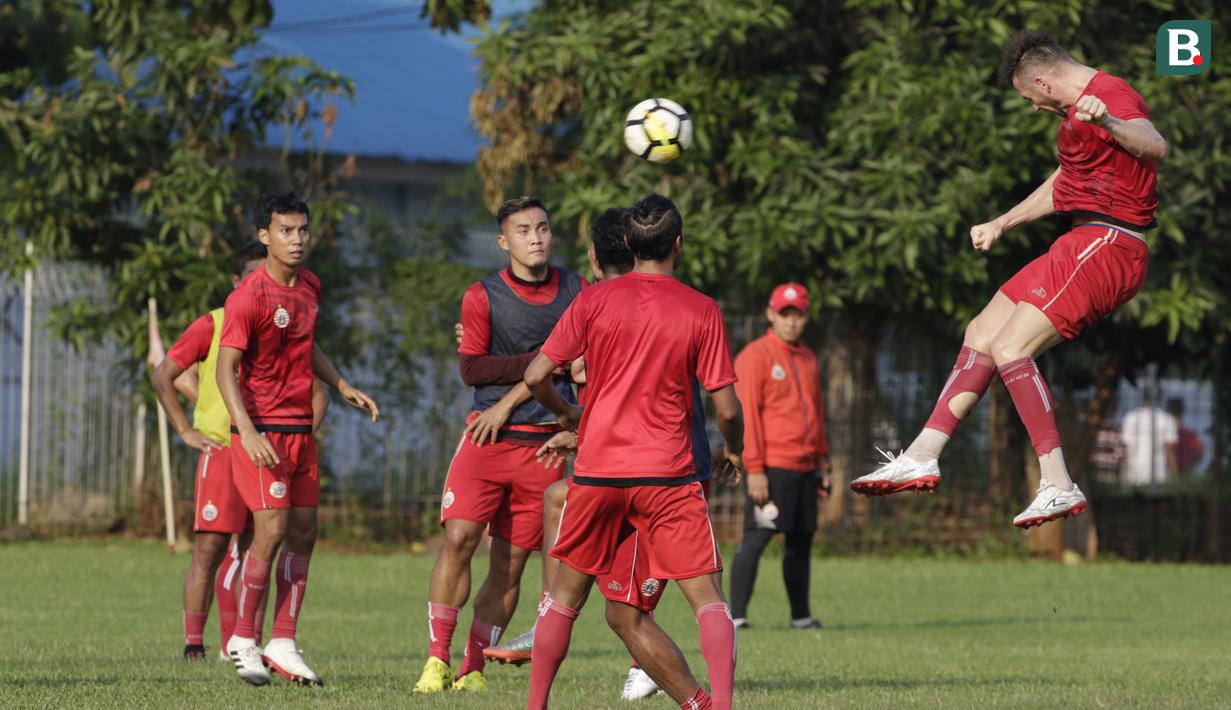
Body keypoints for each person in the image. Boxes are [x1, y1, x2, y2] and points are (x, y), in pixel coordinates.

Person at [850, 31, 1167, 528]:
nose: (1034, 107)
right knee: (982, 331)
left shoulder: (1110, 96)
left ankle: (1058, 482)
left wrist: (1108, 119)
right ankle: (922, 452)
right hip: (1080, 239)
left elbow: (1155, 144)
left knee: (1012, 347)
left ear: (1042, 80)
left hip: (1110, 243)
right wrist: (1002, 223)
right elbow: (1065, 184)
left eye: (1028, 98)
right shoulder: (1073, 119)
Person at [481, 207, 717, 702]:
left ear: (596, 255)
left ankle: (580, 649)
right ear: (676, 244)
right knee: (633, 609)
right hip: (670, 468)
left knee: (615, 609)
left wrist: (573, 417)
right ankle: (691, 692)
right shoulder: (692, 306)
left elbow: (539, 374)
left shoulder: (595, 303)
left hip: (635, 471)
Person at [413, 196, 586, 694]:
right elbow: (473, 368)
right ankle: (436, 659)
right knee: (459, 539)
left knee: (510, 565)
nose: (536, 237)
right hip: (487, 437)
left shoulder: (577, 289)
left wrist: (554, 374)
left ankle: (472, 668)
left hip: (545, 446)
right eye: (524, 230)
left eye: (543, 228)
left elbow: (582, 362)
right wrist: (546, 358)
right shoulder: (482, 295)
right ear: (503, 241)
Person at [216, 192, 380, 687]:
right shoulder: (248, 294)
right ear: (264, 236)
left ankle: (282, 640)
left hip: (299, 433)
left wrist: (340, 383)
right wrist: (245, 430)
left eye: (303, 229)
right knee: (269, 531)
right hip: (260, 432)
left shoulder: (310, 285)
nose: (297, 239)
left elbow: (305, 345)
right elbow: (225, 370)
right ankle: (244, 638)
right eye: (286, 231)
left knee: (304, 531)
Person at [729, 283, 830, 630]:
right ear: (771, 314)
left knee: (801, 541)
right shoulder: (755, 357)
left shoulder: (808, 357)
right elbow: (748, 417)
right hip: (772, 467)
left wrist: (823, 461)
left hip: (805, 466)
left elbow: (816, 411)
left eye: (797, 315)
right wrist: (754, 468)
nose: (791, 322)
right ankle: (737, 616)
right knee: (756, 538)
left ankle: (800, 616)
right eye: (785, 314)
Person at [1120, 398, 1178, 485]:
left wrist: (1123, 474)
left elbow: (1127, 450)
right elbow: (1168, 451)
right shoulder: (1166, 418)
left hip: (1134, 471)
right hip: (1158, 471)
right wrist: (1176, 476)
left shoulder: (1131, 417)